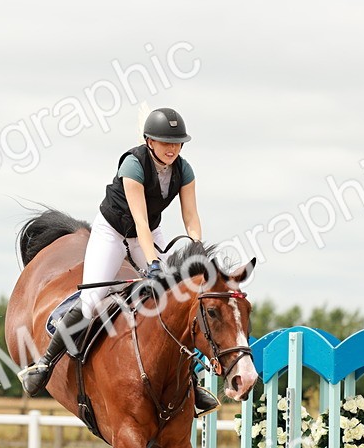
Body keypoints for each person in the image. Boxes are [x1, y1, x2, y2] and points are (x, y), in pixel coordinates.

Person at [18, 107, 222, 416]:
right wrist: (154, 263)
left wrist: (196, 246)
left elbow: (191, 216)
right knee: (91, 301)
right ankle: (45, 364)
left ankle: (191, 382)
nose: (172, 149)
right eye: (165, 142)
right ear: (148, 141)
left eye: (177, 143)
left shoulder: (184, 170)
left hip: (150, 231)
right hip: (113, 232)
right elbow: (138, 220)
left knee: (175, 300)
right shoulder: (133, 165)